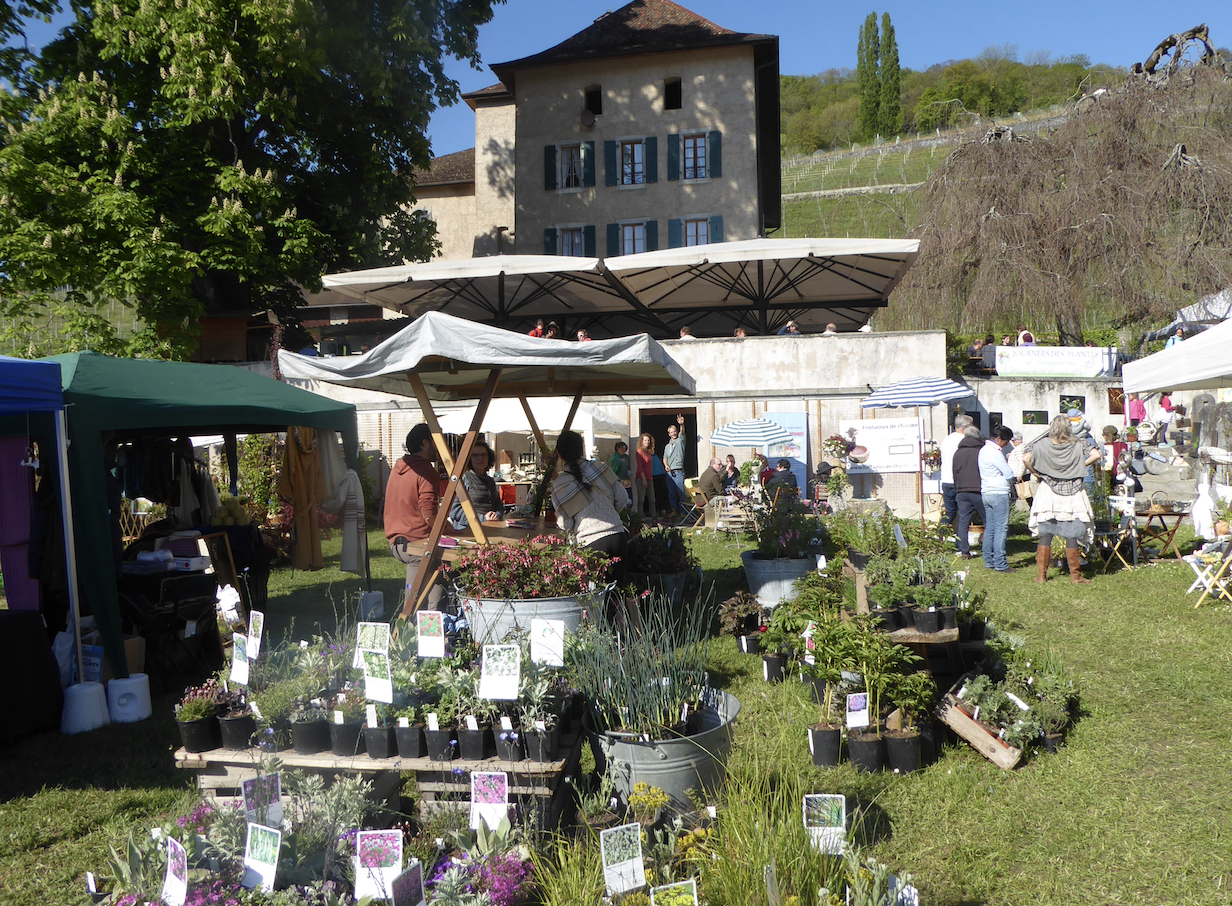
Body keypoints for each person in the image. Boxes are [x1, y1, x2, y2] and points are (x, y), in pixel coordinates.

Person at [1023, 415, 1102, 584]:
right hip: (1073, 491)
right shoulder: (1079, 443)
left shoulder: (1041, 444)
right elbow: (1096, 454)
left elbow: (1025, 458)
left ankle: (1042, 576)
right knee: (1072, 533)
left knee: (1046, 533)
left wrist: (1036, 472)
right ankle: (1076, 576)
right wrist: (1082, 465)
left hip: (1048, 491)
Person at [551, 430, 628, 583]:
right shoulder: (601, 468)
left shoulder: (559, 484)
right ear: (582, 449)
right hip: (618, 536)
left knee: (594, 602)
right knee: (616, 599)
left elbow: (566, 524)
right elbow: (623, 497)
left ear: (559, 454)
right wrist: (608, 513)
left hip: (590, 543)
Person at [385, 424, 447, 609]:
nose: (441, 447)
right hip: (416, 545)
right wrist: (446, 529)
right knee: (413, 603)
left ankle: (433, 632)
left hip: (397, 541)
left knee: (438, 582)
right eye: (438, 442)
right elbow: (428, 514)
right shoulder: (426, 471)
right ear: (426, 443)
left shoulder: (398, 468)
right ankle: (407, 635)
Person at [980, 427, 1017, 572]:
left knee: (990, 528)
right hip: (999, 493)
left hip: (986, 492)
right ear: (998, 439)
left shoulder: (983, 450)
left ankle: (988, 559)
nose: (1006, 445)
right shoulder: (995, 453)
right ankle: (1000, 563)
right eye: (1006, 442)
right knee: (1001, 528)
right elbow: (1008, 474)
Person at [448, 441, 504, 530]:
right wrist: (482, 519)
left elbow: (499, 506)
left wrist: (496, 514)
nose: (480, 458)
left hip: (490, 528)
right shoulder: (463, 479)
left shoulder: (490, 481)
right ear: (469, 458)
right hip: (467, 531)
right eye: (475, 455)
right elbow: (454, 510)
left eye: (483, 455)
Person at [952, 425, 985, 559]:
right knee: (987, 519)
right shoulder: (982, 451)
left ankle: (964, 550)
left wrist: (958, 487)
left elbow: (955, 471)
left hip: (962, 490)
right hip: (979, 489)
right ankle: (989, 548)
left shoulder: (958, 452)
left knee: (963, 521)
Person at [939, 413, 973, 526]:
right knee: (964, 513)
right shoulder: (964, 441)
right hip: (960, 482)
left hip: (946, 480)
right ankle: (962, 538)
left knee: (950, 512)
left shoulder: (946, 439)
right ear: (966, 427)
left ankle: (939, 534)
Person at [1067, 409, 1100, 489]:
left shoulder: (1066, 440)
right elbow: (1097, 458)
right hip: (1087, 478)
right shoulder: (1089, 440)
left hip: (1070, 478)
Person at [662, 415, 687, 515]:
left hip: (679, 471)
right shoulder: (667, 446)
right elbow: (665, 458)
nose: (674, 433)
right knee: (671, 493)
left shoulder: (680, 441)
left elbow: (683, 432)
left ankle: (683, 512)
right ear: (669, 434)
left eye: (674, 431)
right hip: (670, 472)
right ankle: (674, 510)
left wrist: (681, 424)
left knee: (680, 492)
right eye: (671, 432)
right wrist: (666, 465)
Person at [632, 433, 656, 519]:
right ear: (642, 441)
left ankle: (654, 518)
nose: (647, 442)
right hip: (640, 478)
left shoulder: (649, 452)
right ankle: (640, 519)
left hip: (649, 478)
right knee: (641, 500)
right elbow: (640, 466)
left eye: (648, 440)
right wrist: (644, 479)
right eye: (645, 440)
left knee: (652, 500)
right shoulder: (639, 452)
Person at [1101, 426, 1128, 493]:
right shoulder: (1123, 445)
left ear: (1106, 435)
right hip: (1122, 474)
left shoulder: (1106, 446)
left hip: (1109, 474)